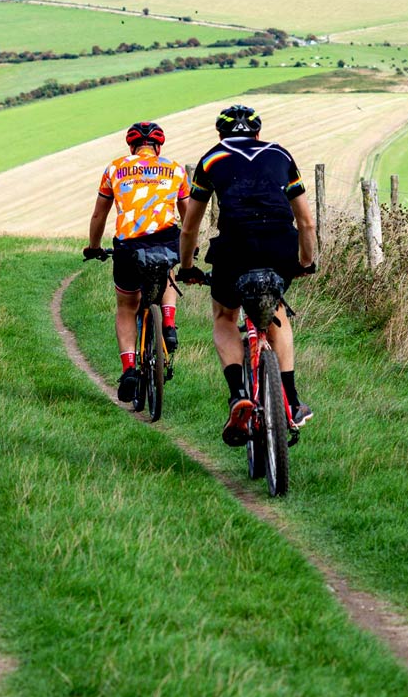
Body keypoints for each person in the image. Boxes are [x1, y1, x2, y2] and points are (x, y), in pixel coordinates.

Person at [177, 104, 316, 446]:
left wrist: (187, 267)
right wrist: (306, 261)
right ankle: (292, 400)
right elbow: (306, 222)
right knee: (277, 313)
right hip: (280, 246)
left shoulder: (211, 159)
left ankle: (239, 393)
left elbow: (189, 228)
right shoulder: (280, 155)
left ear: (221, 134)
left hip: (234, 248)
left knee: (225, 317)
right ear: (257, 132)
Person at [83, 121, 191, 401]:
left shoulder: (115, 169)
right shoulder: (176, 169)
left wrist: (94, 247)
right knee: (168, 270)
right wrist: (192, 245)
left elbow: (99, 216)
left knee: (127, 306)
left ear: (131, 146)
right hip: (166, 240)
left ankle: (129, 368)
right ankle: (168, 323)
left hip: (129, 247)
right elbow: (188, 213)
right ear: (158, 146)